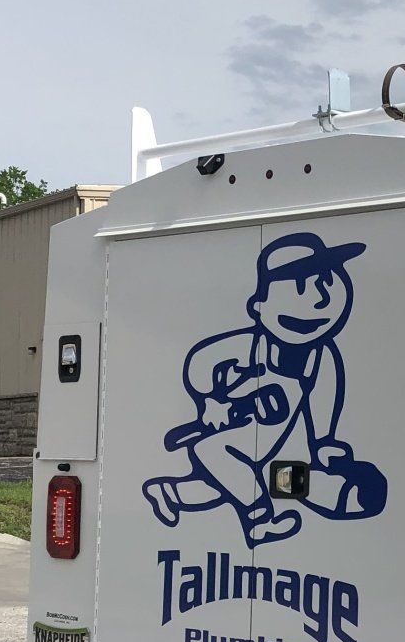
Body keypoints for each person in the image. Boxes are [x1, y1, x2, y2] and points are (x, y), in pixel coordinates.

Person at [144, 231, 387, 545]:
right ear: (259, 307)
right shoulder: (249, 345)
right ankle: (260, 520)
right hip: (240, 436)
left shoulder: (321, 358)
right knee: (214, 453)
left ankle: (171, 494)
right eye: (300, 287)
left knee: (249, 481)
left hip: (279, 451)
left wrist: (326, 445)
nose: (319, 299)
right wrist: (211, 401)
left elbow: (324, 403)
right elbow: (199, 364)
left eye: (324, 282)